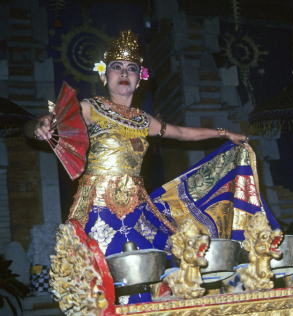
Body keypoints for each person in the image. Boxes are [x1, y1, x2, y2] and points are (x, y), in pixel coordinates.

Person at [23, 30, 279, 304]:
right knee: (102, 278)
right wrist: (40, 126)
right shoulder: (90, 107)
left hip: (137, 206)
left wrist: (223, 133)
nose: (124, 72)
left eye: (131, 68)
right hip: (98, 205)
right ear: (103, 75)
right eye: (117, 67)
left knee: (162, 270)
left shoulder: (144, 120)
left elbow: (181, 133)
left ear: (139, 79)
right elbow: (37, 123)